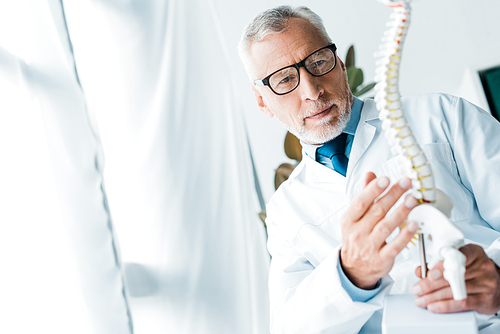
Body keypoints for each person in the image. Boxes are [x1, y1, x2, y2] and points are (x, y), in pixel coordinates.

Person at [238, 5, 500, 334]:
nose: (312, 91)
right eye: (285, 79)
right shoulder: (284, 211)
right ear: (262, 101)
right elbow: (290, 326)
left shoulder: (442, 115)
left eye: (318, 62)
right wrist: (350, 274)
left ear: (340, 64)